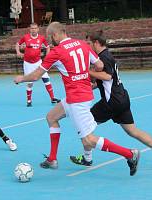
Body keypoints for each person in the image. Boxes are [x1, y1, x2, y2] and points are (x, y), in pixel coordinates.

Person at [14, 22, 140, 176]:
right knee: (51, 117)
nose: (50, 40)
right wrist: (84, 73)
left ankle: (129, 154)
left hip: (77, 99)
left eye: (50, 37)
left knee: (89, 140)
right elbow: (100, 65)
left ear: (55, 35)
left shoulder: (56, 51)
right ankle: (52, 159)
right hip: (82, 94)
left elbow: (35, 76)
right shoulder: (82, 44)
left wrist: (21, 78)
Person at [70, 30, 152, 169]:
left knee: (84, 125)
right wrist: (88, 85)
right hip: (122, 98)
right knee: (132, 131)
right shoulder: (107, 56)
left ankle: (87, 159)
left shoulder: (103, 57)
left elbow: (107, 77)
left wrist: (87, 72)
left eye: (88, 43)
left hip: (111, 101)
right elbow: (103, 82)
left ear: (97, 43)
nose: (87, 46)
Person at [15, 23, 60, 107]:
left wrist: (47, 56)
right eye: (32, 28)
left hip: (38, 62)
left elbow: (47, 47)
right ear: (30, 29)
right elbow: (18, 44)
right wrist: (18, 52)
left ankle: (52, 98)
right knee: (29, 82)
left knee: (46, 79)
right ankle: (29, 101)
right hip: (28, 63)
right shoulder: (26, 37)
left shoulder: (41, 38)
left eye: (35, 28)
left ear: (38, 29)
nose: (33, 30)